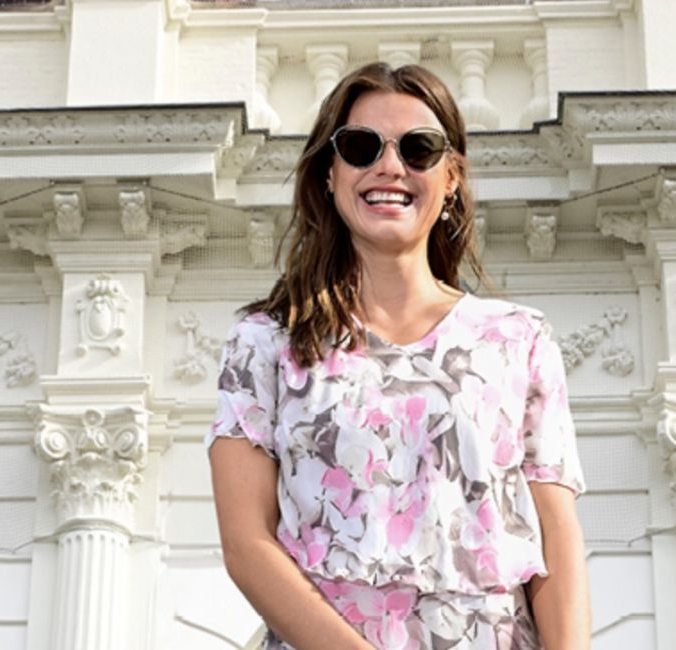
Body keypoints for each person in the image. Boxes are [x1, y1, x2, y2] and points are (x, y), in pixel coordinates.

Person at [207, 61, 591, 650]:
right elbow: (246, 545)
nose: (390, 166)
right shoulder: (265, 343)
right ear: (330, 173)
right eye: (361, 147)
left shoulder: (520, 340)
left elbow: (556, 544)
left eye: (418, 149)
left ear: (452, 176)